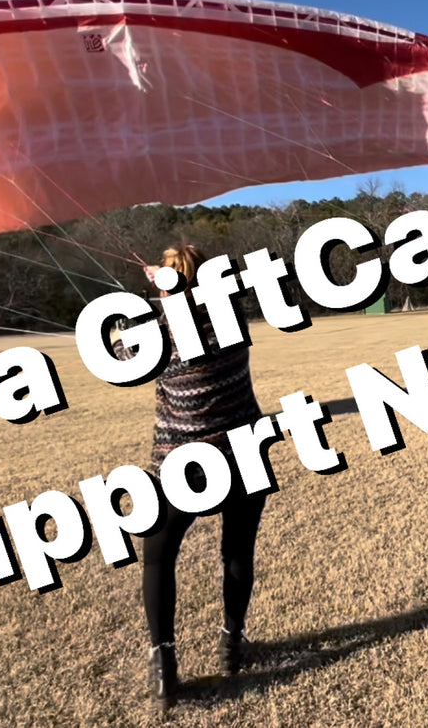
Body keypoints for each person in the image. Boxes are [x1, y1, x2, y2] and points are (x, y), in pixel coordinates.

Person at [108, 243, 269, 710]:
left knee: (158, 561)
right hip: (242, 457)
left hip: (180, 467)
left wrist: (151, 300)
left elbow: (118, 351)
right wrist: (172, 284)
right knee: (237, 551)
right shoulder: (232, 322)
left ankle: (164, 668)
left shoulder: (153, 337)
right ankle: (232, 644)